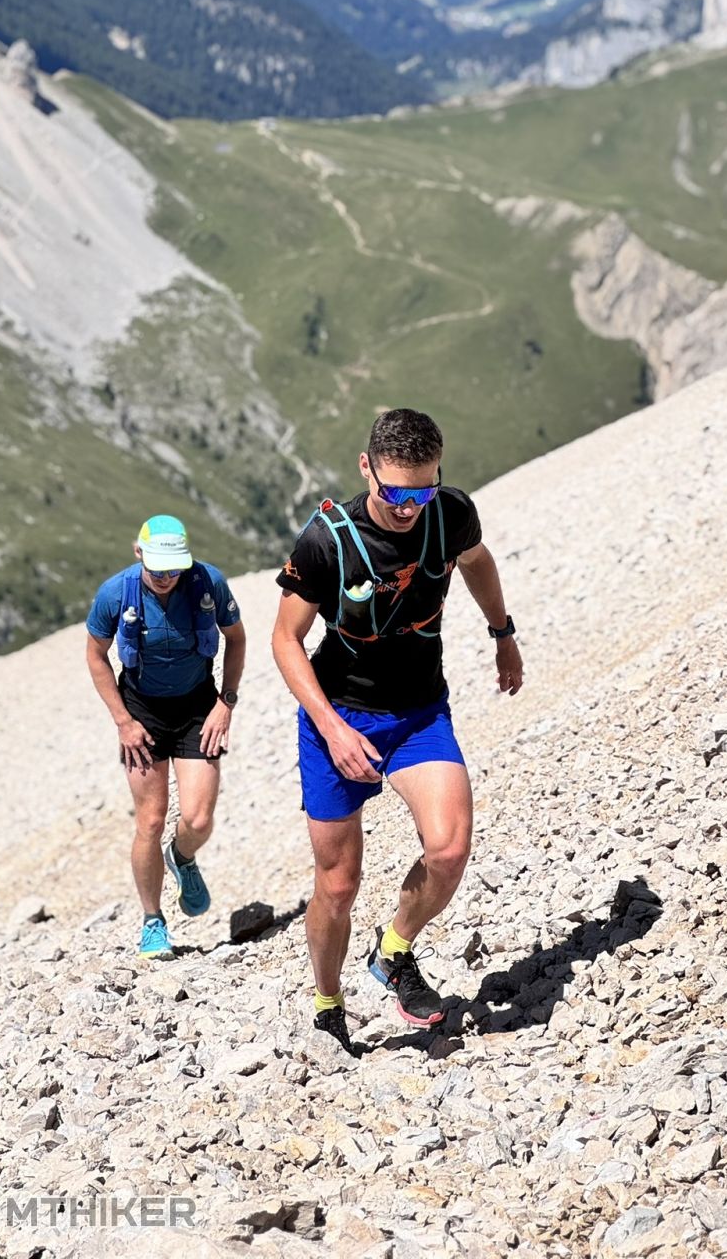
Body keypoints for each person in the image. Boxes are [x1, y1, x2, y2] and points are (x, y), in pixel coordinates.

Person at [272, 408, 523, 1052]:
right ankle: (329, 1003)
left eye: (423, 490)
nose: (410, 506)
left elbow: (478, 563)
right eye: (395, 492)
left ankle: (393, 952)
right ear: (366, 469)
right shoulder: (327, 540)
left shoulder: (452, 513)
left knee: (448, 848)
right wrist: (330, 728)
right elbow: (285, 639)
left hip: (417, 712)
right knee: (338, 883)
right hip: (340, 715)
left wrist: (503, 635)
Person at [86, 514, 246, 959]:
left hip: (198, 706)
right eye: (157, 568)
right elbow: (96, 657)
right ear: (138, 554)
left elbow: (237, 638)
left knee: (197, 819)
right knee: (150, 821)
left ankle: (183, 856)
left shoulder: (208, 583)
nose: (165, 577)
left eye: (173, 569)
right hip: (141, 712)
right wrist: (123, 721)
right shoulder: (115, 593)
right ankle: (153, 920)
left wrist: (225, 703)